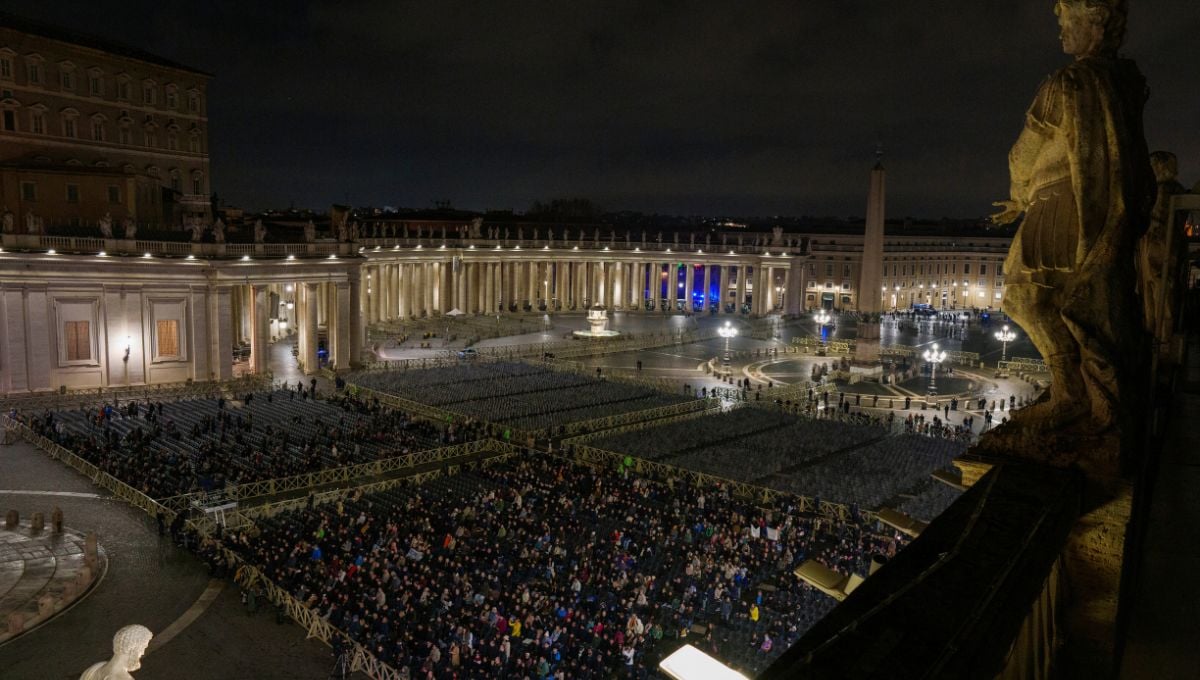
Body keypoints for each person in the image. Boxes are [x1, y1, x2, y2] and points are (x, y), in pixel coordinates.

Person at [990, 0, 1153, 434]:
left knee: (1023, 295)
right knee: (1064, 299)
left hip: (1058, 205)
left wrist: (1019, 195)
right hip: (1094, 207)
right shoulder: (1125, 82)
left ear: (1093, 22)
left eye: (1066, 21)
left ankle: (1070, 392)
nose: (1061, 31)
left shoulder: (1067, 83)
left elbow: (1022, 153)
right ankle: (1086, 389)